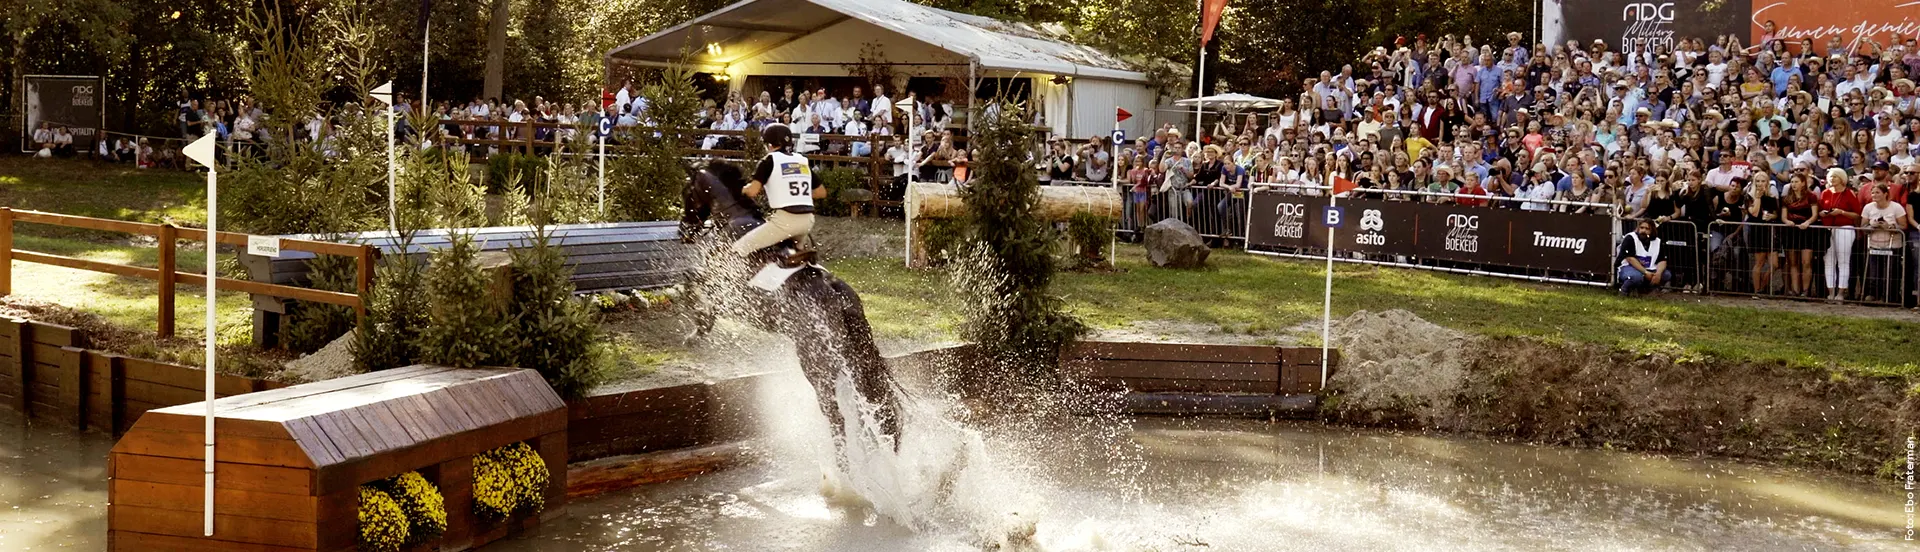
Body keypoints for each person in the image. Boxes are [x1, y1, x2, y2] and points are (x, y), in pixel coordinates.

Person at [733, 124, 825, 257]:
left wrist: (739, 190)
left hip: (785, 221)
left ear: (769, 144)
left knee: (739, 248)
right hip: (808, 222)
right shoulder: (801, 160)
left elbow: (752, 191)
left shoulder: (769, 160)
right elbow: (821, 192)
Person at [1859, 183, 1909, 302]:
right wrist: (1872, 225)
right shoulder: (1868, 207)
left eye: (1877, 192)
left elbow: (1904, 226)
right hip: (1874, 244)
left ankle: (1889, 296)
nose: (1874, 195)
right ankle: (1873, 294)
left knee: (1890, 272)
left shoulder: (1896, 207)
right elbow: (1863, 227)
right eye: (1872, 193)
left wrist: (1890, 226)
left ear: (1885, 194)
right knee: (1874, 272)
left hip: (1892, 245)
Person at [1818, 167, 1863, 302]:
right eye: (1830, 176)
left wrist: (1842, 212)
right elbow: (1820, 209)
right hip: (1828, 228)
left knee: (1843, 261)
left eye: (1835, 176)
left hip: (1844, 228)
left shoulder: (1849, 193)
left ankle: (1841, 292)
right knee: (1829, 260)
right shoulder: (1825, 193)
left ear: (1842, 178)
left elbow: (1857, 214)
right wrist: (1822, 213)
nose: (1832, 179)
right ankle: (1831, 292)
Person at [1618, 219, 1673, 295]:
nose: (1643, 231)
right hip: (1629, 267)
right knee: (1636, 277)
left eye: (1647, 229)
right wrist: (1645, 272)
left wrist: (1658, 274)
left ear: (1652, 231)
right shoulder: (1630, 238)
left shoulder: (1657, 241)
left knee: (1666, 275)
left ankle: (1648, 289)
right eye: (1641, 228)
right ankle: (1624, 290)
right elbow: (1630, 258)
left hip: (1650, 268)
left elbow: (1662, 260)